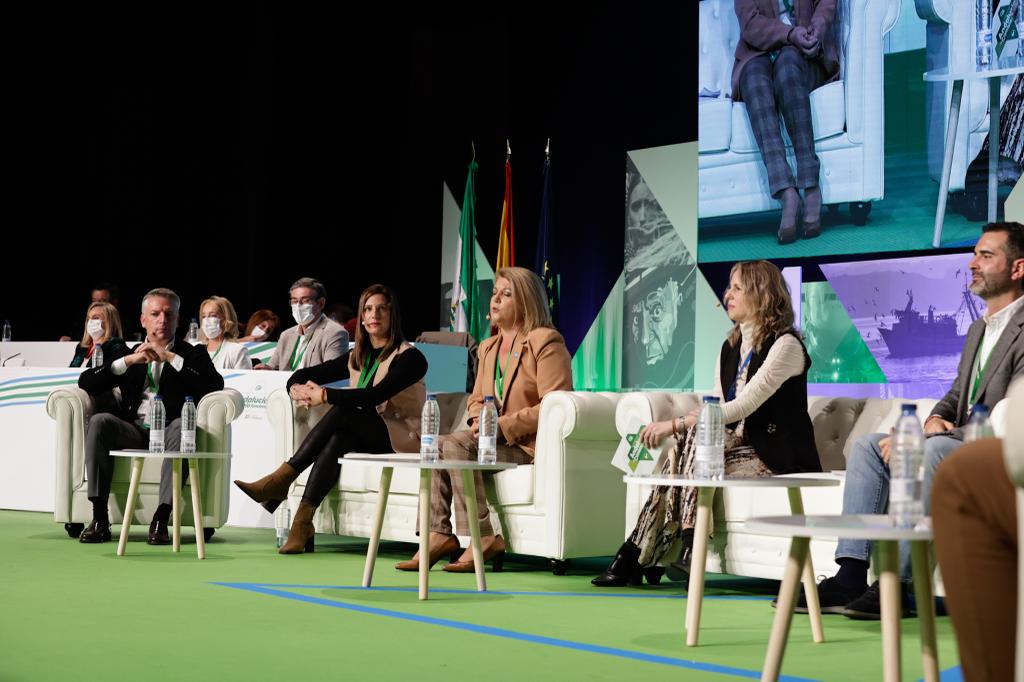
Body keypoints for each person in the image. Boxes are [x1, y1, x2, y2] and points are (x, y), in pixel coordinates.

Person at [809, 222, 1024, 619]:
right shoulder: (978, 327)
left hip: (1003, 451)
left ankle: (900, 585)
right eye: (975, 253)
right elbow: (958, 394)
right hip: (962, 441)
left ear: (1018, 268)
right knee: (868, 447)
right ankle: (850, 575)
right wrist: (932, 420)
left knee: (938, 449)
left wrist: (933, 438)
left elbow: (1015, 409)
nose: (972, 263)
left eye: (986, 255)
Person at [593, 260, 821, 587]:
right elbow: (715, 406)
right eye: (729, 287)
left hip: (773, 453)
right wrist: (689, 425)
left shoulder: (786, 345)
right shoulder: (729, 347)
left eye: (738, 288)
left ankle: (636, 552)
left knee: (689, 443)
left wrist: (675, 425)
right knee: (689, 447)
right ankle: (686, 545)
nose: (728, 295)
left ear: (763, 294)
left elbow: (742, 405)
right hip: (730, 449)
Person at [395, 267, 573, 572]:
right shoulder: (488, 347)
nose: (496, 300)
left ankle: (484, 537)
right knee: (439, 445)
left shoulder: (545, 342)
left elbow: (555, 406)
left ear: (527, 301)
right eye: (495, 293)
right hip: (489, 440)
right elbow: (477, 398)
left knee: (455, 446)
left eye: (507, 294)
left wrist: (499, 427)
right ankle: (438, 533)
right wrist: (480, 419)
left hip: (525, 445)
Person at [234, 284, 427, 554]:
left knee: (343, 409)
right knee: (338, 438)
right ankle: (302, 522)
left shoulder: (411, 358)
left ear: (393, 315)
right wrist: (296, 389)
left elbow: (374, 396)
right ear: (361, 316)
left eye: (382, 309)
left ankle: (282, 478)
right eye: (368, 309)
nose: (374, 315)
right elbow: (300, 375)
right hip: (365, 433)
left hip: (401, 438)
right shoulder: (357, 355)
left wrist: (325, 395)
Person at [76, 288, 225, 544]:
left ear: (178, 319)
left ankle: (161, 518)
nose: (162, 320)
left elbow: (213, 385)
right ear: (143, 320)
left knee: (181, 427)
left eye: (169, 314)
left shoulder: (193, 354)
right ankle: (99, 517)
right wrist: (129, 362)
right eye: (155, 314)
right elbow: (86, 381)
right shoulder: (128, 351)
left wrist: (171, 358)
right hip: (134, 429)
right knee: (100, 422)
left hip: (170, 430)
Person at [733, 0, 839, 244]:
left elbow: (826, 4)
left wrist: (815, 32)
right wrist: (790, 34)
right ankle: (786, 192)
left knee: (787, 66)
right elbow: (750, 23)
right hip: (757, 52)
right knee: (753, 79)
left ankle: (810, 185)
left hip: (804, 56)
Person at [255, 278, 348, 371]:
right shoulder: (286, 335)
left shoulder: (335, 333)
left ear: (321, 303)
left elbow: (332, 374)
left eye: (305, 300)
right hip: (282, 385)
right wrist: (267, 369)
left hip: (311, 385)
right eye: (294, 301)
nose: (298, 306)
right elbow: (273, 367)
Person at [198, 296, 252, 370]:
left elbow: (243, 381)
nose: (206, 321)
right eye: (203, 316)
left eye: (212, 316)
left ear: (226, 318)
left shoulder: (237, 351)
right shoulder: (195, 349)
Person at [69, 302, 128, 369]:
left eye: (96, 318)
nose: (90, 322)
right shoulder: (81, 348)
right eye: (88, 319)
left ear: (110, 322)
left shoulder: (116, 346)